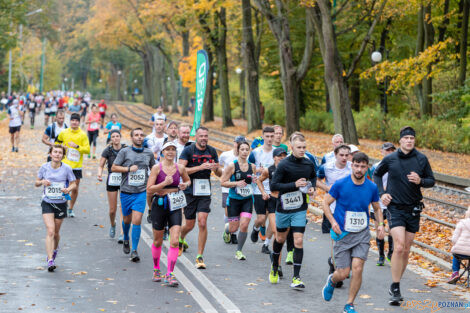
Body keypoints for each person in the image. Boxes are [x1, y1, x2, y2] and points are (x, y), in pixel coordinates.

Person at [373, 126, 435, 306]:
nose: (409, 140)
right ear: (400, 140)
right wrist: (381, 192)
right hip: (395, 207)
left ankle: (396, 283)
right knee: (399, 246)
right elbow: (377, 173)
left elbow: (431, 180)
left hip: (414, 208)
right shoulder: (390, 158)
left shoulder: (421, 159)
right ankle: (395, 286)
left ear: (414, 141)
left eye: (412, 138)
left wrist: (421, 181)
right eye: (406, 138)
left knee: (407, 249)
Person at [321, 152, 385, 313]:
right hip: (342, 233)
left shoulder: (371, 187)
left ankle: (349, 304)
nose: (359, 169)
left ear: (367, 168)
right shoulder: (341, 184)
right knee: (343, 273)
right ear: (352, 166)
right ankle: (332, 281)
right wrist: (333, 222)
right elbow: (325, 203)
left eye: (363, 167)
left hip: (362, 234)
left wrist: (381, 225)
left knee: (357, 268)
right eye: (356, 166)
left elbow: (377, 208)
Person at [269, 133, 316, 289]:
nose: (302, 150)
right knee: (280, 239)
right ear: (292, 148)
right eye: (299, 148)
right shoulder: (283, 165)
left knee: (298, 240)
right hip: (283, 207)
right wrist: (294, 185)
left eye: (304, 147)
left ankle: (296, 277)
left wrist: (311, 187)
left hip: (300, 207)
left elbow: (313, 178)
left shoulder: (308, 164)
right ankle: (275, 265)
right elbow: (274, 186)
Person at [147, 142, 191, 286]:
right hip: (159, 204)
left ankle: (170, 274)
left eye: (173, 150)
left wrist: (186, 185)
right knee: (158, 241)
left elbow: (187, 180)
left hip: (175, 205)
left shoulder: (180, 168)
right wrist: (163, 183)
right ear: (162, 152)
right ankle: (156, 269)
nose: (171, 152)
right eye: (168, 150)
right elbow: (149, 189)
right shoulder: (156, 168)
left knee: (174, 240)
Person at [178, 127, 222, 269]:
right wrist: (200, 167)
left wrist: (216, 168)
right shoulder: (188, 150)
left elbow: (220, 174)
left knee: (202, 222)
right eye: (201, 136)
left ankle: (199, 256)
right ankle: (181, 237)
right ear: (196, 137)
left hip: (204, 191)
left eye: (206, 136)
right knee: (189, 225)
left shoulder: (212, 151)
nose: (204, 138)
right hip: (190, 190)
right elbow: (180, 170)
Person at [112, 128, 155, 262]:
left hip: (141, 192)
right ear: (131, 138)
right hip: (126, 192)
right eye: (136, 135)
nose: (139, 137)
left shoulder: (149, 153)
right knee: (126, 220)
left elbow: (154, 169)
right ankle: (126, 237)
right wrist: (128, 169)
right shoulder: (124, 152)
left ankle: (134, 250)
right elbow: (114, 167)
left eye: (141, 135)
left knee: (137, 220)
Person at [35, 144, 77, 272]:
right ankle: (50, 259)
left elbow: (74, 184)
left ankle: (55, 249)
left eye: (60, 153)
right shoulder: (44, 167)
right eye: (55, 152)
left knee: (57, 233)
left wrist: (67, 189)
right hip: (47, 202)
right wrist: (42, 182)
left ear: (63, 156)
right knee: (50, 231)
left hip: (61, 203)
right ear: (50, 154)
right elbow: (36, 182)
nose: (57, 154)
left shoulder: (67, 169)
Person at [220, 141, 257, 260]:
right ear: (238, 151)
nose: (245, 152)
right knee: (233, 228)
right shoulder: (232, 165)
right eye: (242, 149)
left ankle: (239, 251)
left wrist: (255, 182)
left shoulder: (252, 166)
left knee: (245, 225)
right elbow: (223, 182)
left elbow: (254, 182)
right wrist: (236, 183)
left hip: (247, 200)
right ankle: (227, 229)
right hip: (234, 200)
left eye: (247, 149)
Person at [257, 147, 287, 274]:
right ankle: (278, 265)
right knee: (276, 231)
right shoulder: (269, 170)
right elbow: (259, 180)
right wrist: (263, 192)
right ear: (274, 157)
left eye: (284, 155)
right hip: (273, 202)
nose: (281, 157)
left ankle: (275, 257)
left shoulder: (288, 169)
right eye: (279, 155)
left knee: (282, 237)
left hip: (285, 202)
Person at [55, 113, 90, 218]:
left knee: (74, 188)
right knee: (63, 186)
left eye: (76, 120)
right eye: (72, 120)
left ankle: (70, 208)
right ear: (70, 121)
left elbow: (87, 150)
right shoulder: (64, 132)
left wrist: (77, 146)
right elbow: (57, 142)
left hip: (76, 166)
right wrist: (61, 146)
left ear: (79, 122)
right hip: (64, 164)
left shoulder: (83, 135)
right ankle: (62, 205)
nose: (74, 122)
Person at [98, 130, 127, 240]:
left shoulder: (125, 149)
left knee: (122, 208)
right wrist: (99, 174)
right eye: (113, 136)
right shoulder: (108, 150)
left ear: (120, 137)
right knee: (112, 210)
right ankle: (113, 224)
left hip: (124, 180)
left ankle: (122, 233)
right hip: (112, 181)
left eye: (117, 136)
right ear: (111, 138)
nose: (115, 138)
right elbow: (101, 165)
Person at [370, 142, 396, 266]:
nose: (389, 152)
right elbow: (369, 183)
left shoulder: (397, 166)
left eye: (392, 150)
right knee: (379, 231)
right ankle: (380, 255)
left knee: (391, 230)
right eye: (387, 150)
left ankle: (390, 253)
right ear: (382, 152)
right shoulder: (376, 166)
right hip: (378, 204)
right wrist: (381, 188)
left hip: (392, 204)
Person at [249, 127, 275, 246]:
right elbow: (249, 168)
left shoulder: (277, 152)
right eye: (267, 136)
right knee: (261, 218)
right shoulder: (256, 152)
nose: (269, 139)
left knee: (273, 219)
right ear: (263, 137)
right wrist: (256, 170)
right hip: (259, 189)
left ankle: (266, 243)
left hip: (274, 190)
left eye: (271, 136)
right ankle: (256, 228)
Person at [317, 144, 352, 234]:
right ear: (335, 155)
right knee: (332, 235)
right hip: (330, 206)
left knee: (345, 235)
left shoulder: (352, 168)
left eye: (346, 155)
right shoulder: (326, 167)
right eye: (341, 155)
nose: (344, 158)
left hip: (347, 207)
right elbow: (316, 181)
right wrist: (327, 188)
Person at [219, 136, 246, 244]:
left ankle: (233, 233)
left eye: (241, 143)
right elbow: (218, 166)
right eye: (237, 143)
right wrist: (224, 174)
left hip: (240, 189)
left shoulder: (245, 157)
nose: (239, 145)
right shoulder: (225, 155)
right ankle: (228, 230)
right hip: (227, 188)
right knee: (228, 211)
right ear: (234, 143)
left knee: (238, 213)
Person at [448, 209, 470, 284]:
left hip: (459, 252)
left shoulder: (461, 223)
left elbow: (454, 239)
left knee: (455, 253)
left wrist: (455, 245)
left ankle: (455, 272)